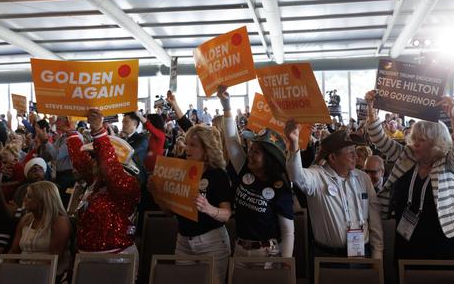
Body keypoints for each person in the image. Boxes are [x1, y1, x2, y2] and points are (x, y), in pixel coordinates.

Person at [366, 92, 454, 262]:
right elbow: (379, 139)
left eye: (421, 140)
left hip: (440, 241)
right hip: (406, 238)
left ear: (435, 142)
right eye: (414, 138)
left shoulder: (448, 163)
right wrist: (371, 108)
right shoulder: (407, 156)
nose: (414, 144)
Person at [218, 87, 294, 266]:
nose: (250, 154)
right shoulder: (244, 169)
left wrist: (286, 265)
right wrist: (226, 106)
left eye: (257, 152)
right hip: (239, 252)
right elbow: (231, 139)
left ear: (268, 159)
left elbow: (288, 231)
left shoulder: (280, 187)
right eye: (251, 149)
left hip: (267, 255)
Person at [285, 121, 382, 259]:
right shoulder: (318, 176)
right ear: (332, 157)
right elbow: (296, 176)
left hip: (362, 254)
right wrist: (294, 145)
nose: (356, 156)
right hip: (328, 257)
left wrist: (377, 255)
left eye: (355, 151)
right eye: (350, 153)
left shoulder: (363, 178)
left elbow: (374, 220)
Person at [149, 123, 232, 284]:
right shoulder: (180, 168)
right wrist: (156, 193)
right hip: (183, 241)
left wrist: (208, 208)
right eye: (187, 144)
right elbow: (169, 212)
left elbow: (226, 214)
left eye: (193, 145)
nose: (187, 148)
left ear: (206, 149)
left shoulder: (217, 174)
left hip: (212, 243)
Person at [63, 109, 140, 265]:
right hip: (87, 259)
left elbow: (110, 169)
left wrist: (98, 131)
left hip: (116, 262)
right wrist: (71, 132)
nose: (92, 161)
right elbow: (82, 163)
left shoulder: (127, 185)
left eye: (95, 157)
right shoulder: (97, 181)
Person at [9, 181, 72, 278]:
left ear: (43, 200)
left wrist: (31, 276)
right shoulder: (25, 219)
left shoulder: (59, 222)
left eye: (29, 196)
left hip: (47, 275)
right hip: (22, 272)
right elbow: (14, 251)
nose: (24, 199)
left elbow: (55, 257)